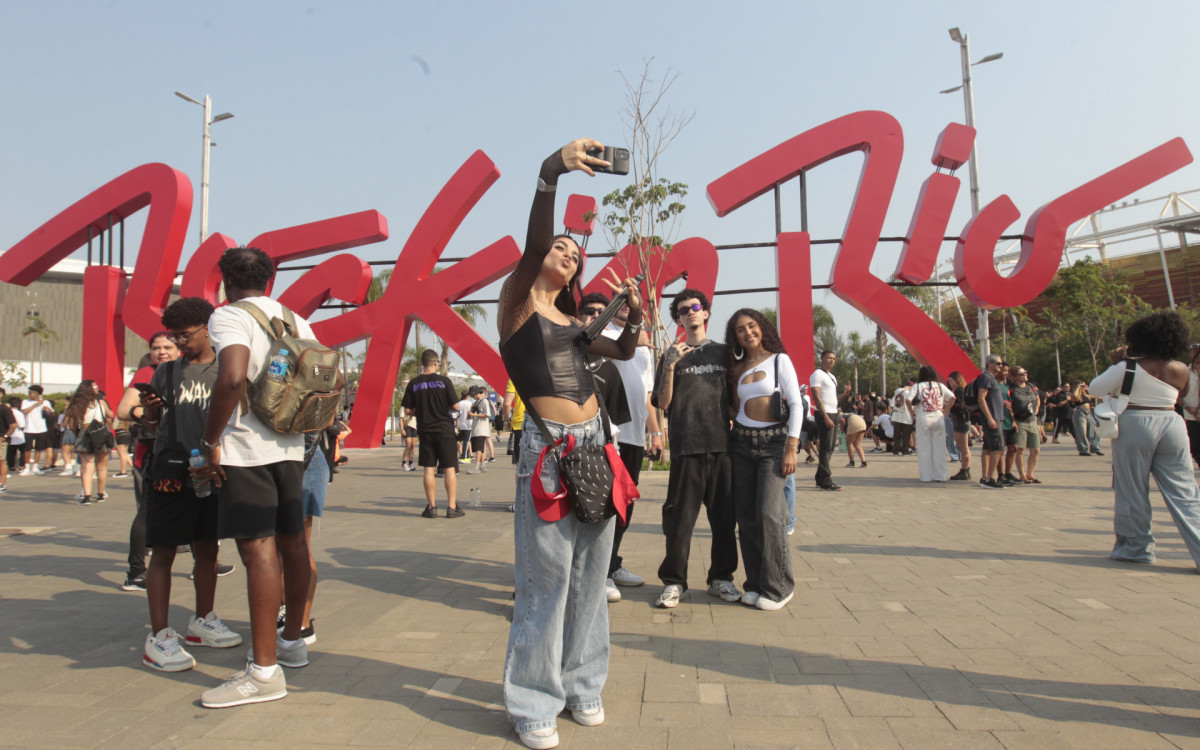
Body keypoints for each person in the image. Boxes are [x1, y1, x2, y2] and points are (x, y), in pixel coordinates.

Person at [498, 138, 641, 749]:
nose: (564, 252)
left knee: (590, 575)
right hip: (549, 449)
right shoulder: (518, 306)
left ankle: (584, 686)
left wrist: (631, 312)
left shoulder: (578, 329)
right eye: (558, 247)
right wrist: (551, 169)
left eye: (573, 252)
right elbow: (534, 240)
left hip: (597, 447)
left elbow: (627, 349)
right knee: (546, 578)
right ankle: (533, 701)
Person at [193, 246, 326, 708]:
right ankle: (290, 642)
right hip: (290, 446)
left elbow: (231, 379)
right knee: (293, 542)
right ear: (270, 279)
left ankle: (263, 672)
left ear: (226, 279)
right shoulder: (294, 319)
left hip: (245, 449)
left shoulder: (228, 316)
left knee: (257, 550)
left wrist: (210, 440)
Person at [137, 297, 243, 673]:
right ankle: (160, 636)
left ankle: (202, 620)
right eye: (174, 337)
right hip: (170, 471)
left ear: (207, 329)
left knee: (208, 551)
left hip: (213, 471)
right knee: (163, 552)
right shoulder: (165, 373)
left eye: (184, 336)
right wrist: (150, 405)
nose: (178, 344)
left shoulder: (226, 369)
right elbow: (152, 425)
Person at [650, 289, 739, 609]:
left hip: (721, 447)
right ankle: (674, 582)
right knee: (679, 521)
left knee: (724, 520)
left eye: (695, 307)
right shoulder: (672, 354)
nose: (690, 312)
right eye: (683, 310)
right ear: (677, 318)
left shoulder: (724, 352)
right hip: (686, 448)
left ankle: (721, 578)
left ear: (706, 313)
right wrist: (672, 364)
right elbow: (662, 403)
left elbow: (735, 401)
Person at [1090, 312, 1200, 570]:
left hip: (1135, 423)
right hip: (1172, 422)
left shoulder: (1126, 367)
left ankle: (1136, 549)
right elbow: (1184, 395)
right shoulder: (1181, 368)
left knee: (1132, 490)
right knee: (1185, 492)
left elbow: (1095, 388)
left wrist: (1118, 362)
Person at [726, 309, 802, 611]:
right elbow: (735, 408)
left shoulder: (779, 360)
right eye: (740, 330)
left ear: (762, 328)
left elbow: (796, 403)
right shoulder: (738, 368)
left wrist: (792, 447)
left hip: (774, 446)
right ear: (736, 337)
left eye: (752, 326)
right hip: (742, 444)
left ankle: (779, 587)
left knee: (770, 514)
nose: (747, 333)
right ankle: (755, 584)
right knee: (746, 518)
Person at [602, 289, 662, 597]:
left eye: (632, 301)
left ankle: (611, 565)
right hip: (609, 434)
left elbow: (647, 394)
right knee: (604, 504)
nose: (627, 306)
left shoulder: (645, 346)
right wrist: (626, 340)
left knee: (625, 505)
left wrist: (656, 433)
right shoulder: (601, 331)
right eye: (622, 300)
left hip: (635, 438)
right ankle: (599, 572)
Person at [116, 334, 183, 591]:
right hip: (154, 454)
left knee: (200, 507)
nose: (161, 352)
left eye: (167, 347)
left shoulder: (188, 371)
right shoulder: (147, 373)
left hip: (187, 449)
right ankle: (135, 571)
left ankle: (206, 563)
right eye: (156, 348)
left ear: (179, 349)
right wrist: (150, 414)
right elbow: (123, 409)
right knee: (147, 511)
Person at [401, 350, 464, 517]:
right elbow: (456, 406)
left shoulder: (414, 383)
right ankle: (451, 507)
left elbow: (407, 409)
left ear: (423, 364)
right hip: (445, 430)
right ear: (436, 363)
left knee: (429, 469)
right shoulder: (444, 381)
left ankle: (432, 507)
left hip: (425, 431)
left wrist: (421, 411)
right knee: (449, 468)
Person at [64, 381, 113, 504]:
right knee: (102, 467)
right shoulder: (101, 402)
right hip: (100, 433)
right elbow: (110, 414)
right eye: (95, 387)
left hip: (85, 433)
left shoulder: (77, 404)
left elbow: (71, 422)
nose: (97, 388)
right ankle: (101, 493)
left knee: (87, 466)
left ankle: (87, 495)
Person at [910, 366, 955, 482]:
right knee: (939, 449)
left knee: (924, 449)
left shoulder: (917, 386)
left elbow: (908, 400)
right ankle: (941, 476)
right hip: (938, 416)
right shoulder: (940, 386)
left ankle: (926, 476)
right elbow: (952, 398)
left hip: (923, 417)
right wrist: (945, 411)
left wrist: (912, 414)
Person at [809, 350, 840, 490]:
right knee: (826, 447)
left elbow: (833, 398)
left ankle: (820, 477)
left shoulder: (832, 376)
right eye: (829, 358)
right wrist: (825, 416)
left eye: (833, 358)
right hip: (824, 413)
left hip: (834, 412)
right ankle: (825, 479)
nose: (831, 360)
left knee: (831, 447)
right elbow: (816, 395)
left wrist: (845, 394)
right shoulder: (817, 374)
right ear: (821, 359)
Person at [975, 354, 1006, 489]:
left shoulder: (991, 378)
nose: (1001, 366)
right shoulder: (986, 378)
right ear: (990, 364)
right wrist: (989, 418)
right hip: (992, 418)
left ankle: (985, 477)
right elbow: (981, 398)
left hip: (995, 417)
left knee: (988, 448)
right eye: (998, 363)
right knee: (998, 448)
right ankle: (990, 479)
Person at [1008, 367, 1042, 484]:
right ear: (1015, 376)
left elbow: (1037, 398)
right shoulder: (1012, 389)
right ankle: (1022, 475)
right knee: (1021, 449)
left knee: (1035, 449)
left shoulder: (1031, 386)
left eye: (1026, 373)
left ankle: (1030, 473)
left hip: (1032, 420)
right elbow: (1009, 406)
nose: (1025, 375)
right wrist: (1013, 420)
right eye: (1022, 374)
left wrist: (1036, 410)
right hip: (1020, 421)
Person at [19, 385, 55, 474]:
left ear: (37, 394)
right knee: (27, 449)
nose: (29, 394)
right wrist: (36, 404)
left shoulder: (45, 402)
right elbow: (23, 412)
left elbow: (52, 414)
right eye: (29, 392)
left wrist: (48, 410)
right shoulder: (25, 401)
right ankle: (26, 467)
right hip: (29, 429)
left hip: (41, 429)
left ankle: (35, 467)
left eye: (31, 393)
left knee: (39, 449)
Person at [947, 372, 972, 481]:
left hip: (961, 420)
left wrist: (949, 405)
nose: (950, 382)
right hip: (959, 420)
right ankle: (965, 469)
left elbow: (961, 405)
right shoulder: (959, 390)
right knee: (962, 446)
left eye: (951, 380)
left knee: (963, 447)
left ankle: (965, 469)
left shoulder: (959, 390)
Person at [466, 386, 495, 475]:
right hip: (476, 427)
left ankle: (476, 466)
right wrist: (470, 414)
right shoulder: (475, 403)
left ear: (475, 393)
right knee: (480, 447)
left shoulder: (484, 401)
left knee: (478, 448)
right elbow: (472, 415)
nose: (472, 396)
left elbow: (487, 414)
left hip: (481, 428)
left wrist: (475, 415)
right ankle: (482, 465)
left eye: (472, 395)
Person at [1071, 381, 1102, 456]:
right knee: (1081, 432)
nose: (1084, 387)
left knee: (1094, 431)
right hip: (1080, 413)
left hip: (1089, 413)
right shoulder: (1074, 395)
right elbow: (1074, 395)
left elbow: (1096, 396)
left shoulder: (1085, 395)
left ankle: (1095, 448)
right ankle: (1083, 450)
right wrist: (1078, 387)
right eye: (1083, 386)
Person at [1185, 343, 1200, 468]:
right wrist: (1187, 407)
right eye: (1193, 351)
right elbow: (1178, 395)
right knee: (1194, 449)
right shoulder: (1184, 372)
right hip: (1190, 416)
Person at [890, 381, 915, 456]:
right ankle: (905, 450)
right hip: (906, 417)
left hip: (896, 416)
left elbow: (893, 403)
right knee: (906, 435)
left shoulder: (897, 391)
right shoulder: (908, 393)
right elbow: (910, 403)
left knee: (896, 435)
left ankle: (895, 450)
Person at [0, 388, 15, 492]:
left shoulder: (4, 409)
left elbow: (13, 425)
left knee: (1, 461)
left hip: (1, 438)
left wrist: (5, 436)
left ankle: (2, 484)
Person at [5, 397, 26, 474]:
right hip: (19, 434)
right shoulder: (19, 413)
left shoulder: (7, 411)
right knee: (22, 451)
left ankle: (11, 466)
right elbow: (22, 425)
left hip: (9, 434)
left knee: (11, 452)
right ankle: (21, 465)